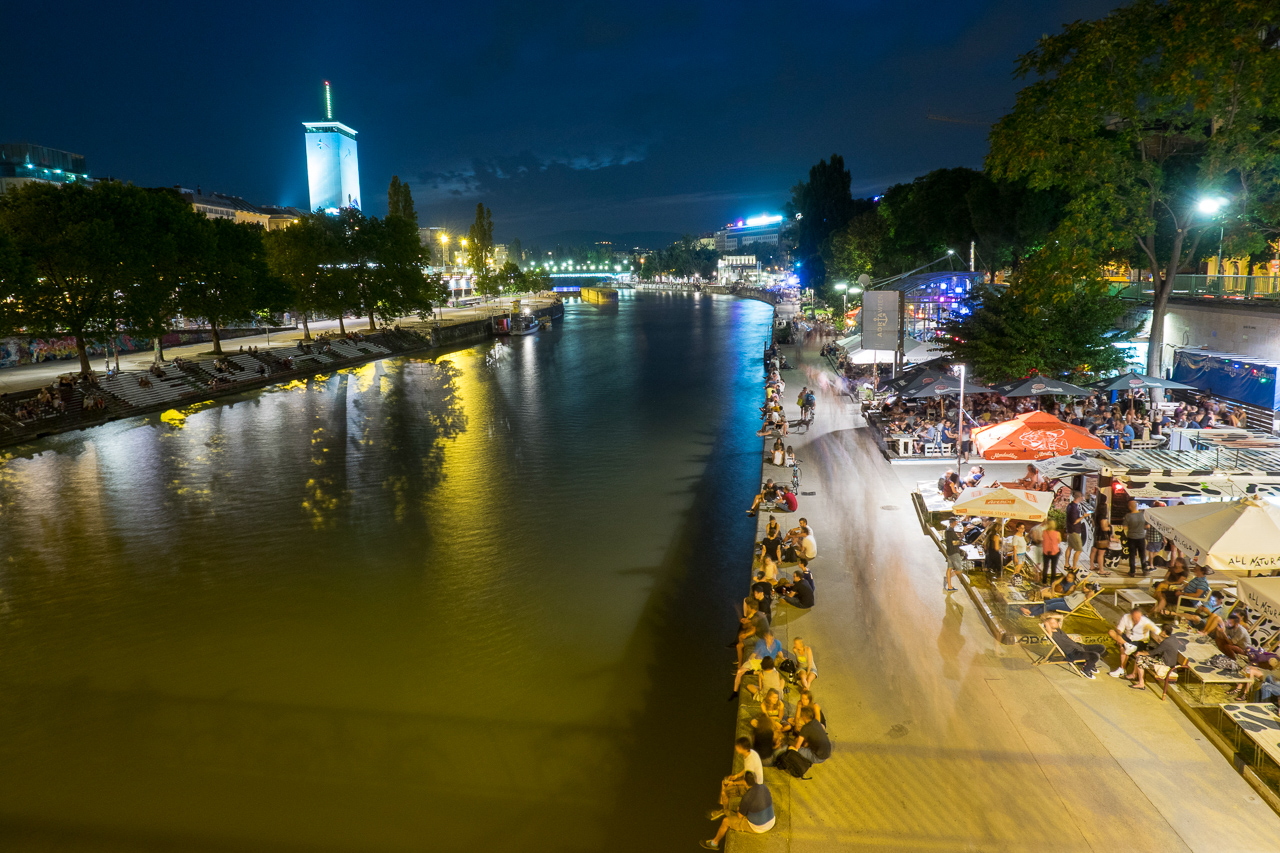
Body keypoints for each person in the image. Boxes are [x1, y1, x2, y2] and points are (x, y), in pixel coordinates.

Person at [701, 770, 774, 848]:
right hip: (771, 819)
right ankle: (725, 811)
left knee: (725, 821)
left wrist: (739, 809)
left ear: (745, 782)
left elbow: (740, 816)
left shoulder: (747, 798)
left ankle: (714, 843)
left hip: (760, 827)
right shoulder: (763, 787)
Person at [712, 737, 764, 818]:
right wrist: (737, 776)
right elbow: (746, 769)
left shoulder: (750, 761)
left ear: (743, 749)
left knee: (724, 792)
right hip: (750, 780)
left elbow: (747, 782)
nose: (736, 748)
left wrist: (734, 783)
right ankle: (723, 807)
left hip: (752, 787)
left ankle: (725, 811)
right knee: (725, 780)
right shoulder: (751, 753)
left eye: (738, 747)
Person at [1107, 606, 1160, 677]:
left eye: (1139, 617)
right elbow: (1119, 630)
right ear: (1131, 615)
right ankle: (1126, 645)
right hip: (1129, 639)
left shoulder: (1145, 621)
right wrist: (1120, 638)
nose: (1137, 619)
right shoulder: (1126, 617)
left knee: (1123, 648)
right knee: (1111, 632)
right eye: (1135, 617)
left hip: (1140, 641)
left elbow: (1157, 631)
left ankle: (1122, 669)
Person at [1122, 500, 1148, 577]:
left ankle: (1132, 571)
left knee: (1132, 555)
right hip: (1141, 537)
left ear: (1130, 507)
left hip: (1131, 537)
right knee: (1142, 554)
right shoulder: (1143, 515)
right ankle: (1144, 569)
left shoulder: (1128, 516)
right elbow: (1147, 526)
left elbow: (1125, 527)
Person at [1065, 490, 1087, 571]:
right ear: (1079, 497)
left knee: (1070, 547)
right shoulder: (1074, 508)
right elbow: (1075, 521)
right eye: (1082, 497)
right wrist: (1084, 516)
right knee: (1079, 549)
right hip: (1074, 531)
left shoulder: (1070, 505)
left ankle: (1066, 564)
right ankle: (1074, 567)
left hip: (1070, 530)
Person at [943, 517, 963, 592]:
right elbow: (955, 542)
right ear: (952, 523)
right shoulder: (951, 531)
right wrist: (960, 540)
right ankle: (947, 579)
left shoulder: (947, 530)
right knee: (959, 570)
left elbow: (950, 541)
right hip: (954, 552)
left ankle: (949, 586)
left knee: (949, 568)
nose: (956, 523)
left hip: (949, 552)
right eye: (955, 522)